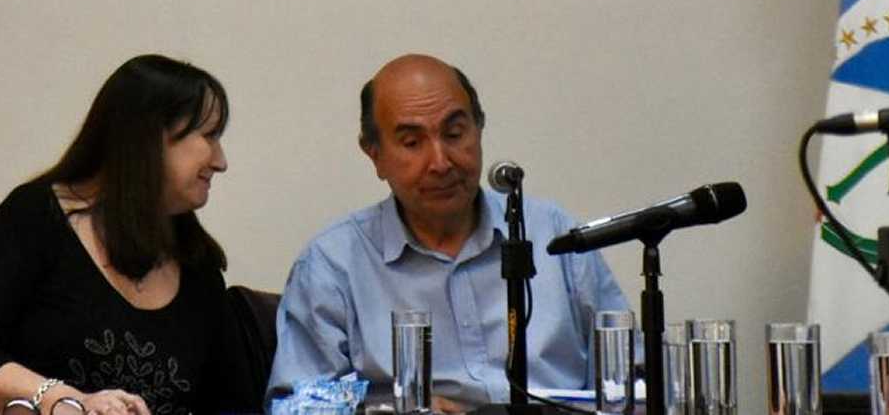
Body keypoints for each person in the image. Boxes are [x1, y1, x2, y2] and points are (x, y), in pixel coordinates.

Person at [269, 54, 630, 406]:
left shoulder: (552, 233)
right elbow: (295, 404)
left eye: (455, 134)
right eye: (412, 143)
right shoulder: (333, 264)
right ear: (374, 154)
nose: (440, 162)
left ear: (479, 129)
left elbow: (634, 375)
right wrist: (388, 406)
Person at [0, 55, 259, 415]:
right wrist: (64, 400)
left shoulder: (196, 263)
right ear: (150, 138)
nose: (221, 160)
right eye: (209, 136)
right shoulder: (36, 216)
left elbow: (234, 403)